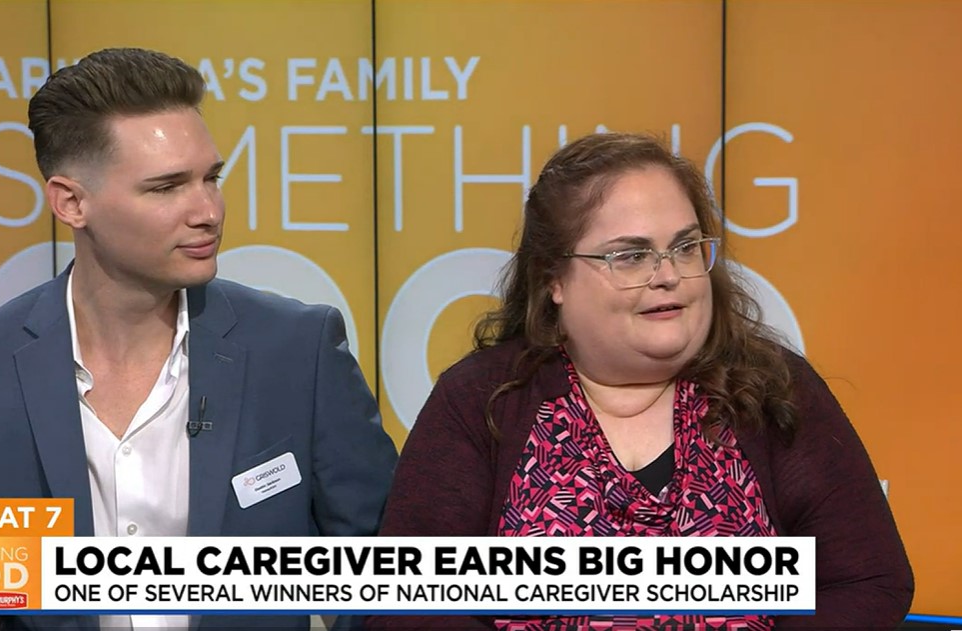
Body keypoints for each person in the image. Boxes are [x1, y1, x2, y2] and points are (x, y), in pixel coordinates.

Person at [0, 47, 398, 631]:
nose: (207, 211)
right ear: (71, 202)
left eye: (211, 178)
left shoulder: (296, 352)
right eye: (166, 187)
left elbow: (381, 580)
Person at [366, 132, 913, 630]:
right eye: (630, 256)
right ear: (554, 278)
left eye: (685, 246)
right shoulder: (481, 400)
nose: (668, 274)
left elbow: (867, 581)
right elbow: (408, 605)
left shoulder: (773, 388)